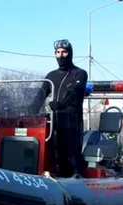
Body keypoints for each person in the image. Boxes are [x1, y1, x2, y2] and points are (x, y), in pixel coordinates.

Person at [41, 39, 88, 178]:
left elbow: (76, 90)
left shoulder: (79, 73)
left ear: (70, 53)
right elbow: (40, 95)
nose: (61, 55)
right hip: (54, 125)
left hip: (72, 124)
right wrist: (25, 109)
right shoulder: (51, 76)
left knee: (72, 157)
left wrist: (63, 103)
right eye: (58, 52)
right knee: (55, 157)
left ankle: (77, 182)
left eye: (64, 52)